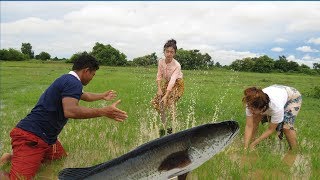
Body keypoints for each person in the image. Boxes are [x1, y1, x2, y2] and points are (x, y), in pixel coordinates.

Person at [0, 52, 128, 180]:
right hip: (32, 136)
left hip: (47, 138)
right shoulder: (73, 82)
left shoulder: (68, 80)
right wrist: (103, 111)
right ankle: (20, 159)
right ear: (86, 71)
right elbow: (71, 111)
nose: (92, 78)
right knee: (18, 178)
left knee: (58, 158)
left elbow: (85, 95)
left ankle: (12, 158)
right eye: (93, 74)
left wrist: (102, 96)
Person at [243, 84, 302, 151]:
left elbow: (271, 129)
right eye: (250, 108)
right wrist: (245, 146)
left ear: (263, 109)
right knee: (255, 120)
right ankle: (250, 143)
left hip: (292, 96)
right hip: (276, 90)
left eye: (253, 110)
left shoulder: (276, 108)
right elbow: (249, 126)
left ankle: (294, 151)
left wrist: (255, 144)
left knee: (286, 127)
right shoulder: (251, 103)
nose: (251, 111)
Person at [151, 39, 184, 136]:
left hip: (178, 83)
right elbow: (159, 75)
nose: (169, 54)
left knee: (170, 103)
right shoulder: (160, 62)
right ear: (164, 51)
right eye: (167, 51)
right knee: (157, 103)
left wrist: (166, 95)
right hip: (167, 83)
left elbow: (173, 80)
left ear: (174, 53)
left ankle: (172, 130)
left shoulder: (177, 65)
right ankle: (164, 126)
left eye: (172, 52)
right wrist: (159, 88)